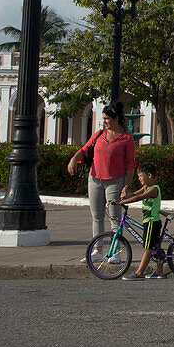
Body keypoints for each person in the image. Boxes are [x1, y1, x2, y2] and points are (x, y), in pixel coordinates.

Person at [66, 103, 136, 260]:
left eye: (107, 118)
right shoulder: (98, 134)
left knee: (115, 217)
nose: (104, 121)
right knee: (96, 217)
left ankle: (115, 251)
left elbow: (131, 164)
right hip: (95, 180)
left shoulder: (126, 138)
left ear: (116, 118)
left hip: (115, 181)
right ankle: (97, 250)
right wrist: (73, 159)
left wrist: (127, 186)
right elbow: (83, 150)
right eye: (103, 118)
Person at [112, 162, 166, 281]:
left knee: (147, 248)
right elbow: (135, 194)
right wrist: (123, 197)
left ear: (149, 175)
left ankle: (140, 272)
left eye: (141, 176)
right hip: (150, 222)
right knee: (156, 246)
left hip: (152, 222)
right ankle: (160, 271)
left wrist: (122, 203)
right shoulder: (146, 187)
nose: (139, 179)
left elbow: (139, 197)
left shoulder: (153, 189)